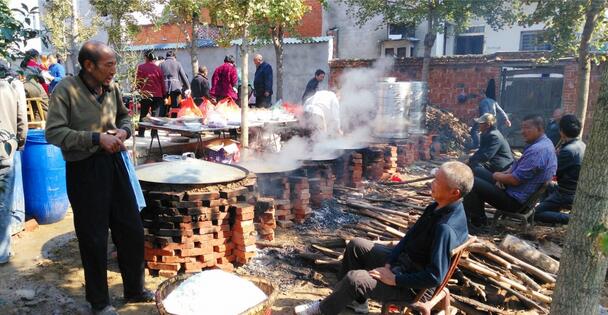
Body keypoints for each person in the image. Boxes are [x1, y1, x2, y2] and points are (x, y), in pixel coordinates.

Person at [45, 41, 153, 315]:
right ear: (89, 65)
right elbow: (54, 133)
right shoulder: (65, 90)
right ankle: (99, 302)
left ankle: (134, 289)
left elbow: (126, 118)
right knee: (93, 237)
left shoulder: (112, 88)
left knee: (130, 229)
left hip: (115, 164)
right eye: (109, 64)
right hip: (85, 170)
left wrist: (123, 133)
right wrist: (96, 138)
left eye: (114, 64)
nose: (113, 70)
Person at [294, 161, 472, 315]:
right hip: (405, 264)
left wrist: (394, 279)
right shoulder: (437, 207)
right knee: (357, 245)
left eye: (437, 181)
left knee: (355, 279)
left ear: (454, 192)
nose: (431, 183)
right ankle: (355, 301)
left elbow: (435, 276)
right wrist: (390, 263)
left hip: (415, 287)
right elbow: (409, 237)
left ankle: (323, 310)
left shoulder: (445, 228)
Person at [463, 115, 557, 227]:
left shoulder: (538, 151)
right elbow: (516, 167)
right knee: (477, 171)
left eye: (527, 128)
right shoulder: (544, 143)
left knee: (472, 183)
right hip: (513, 190)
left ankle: (478, 223)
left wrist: (496, 176)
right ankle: (476, 214)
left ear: (540, 128)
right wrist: (503, 174)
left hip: (514, 201)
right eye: (522, 128)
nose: (522, 132)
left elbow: (514, 180)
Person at [0, 61, 28, 265]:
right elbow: (22, 119)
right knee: (3, 204)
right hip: (5, 150)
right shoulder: (13, 85)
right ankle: (2, 252)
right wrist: (20, 142)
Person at [535, 114, 585, 224]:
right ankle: (551, 212)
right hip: (575, 189)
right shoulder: (582, 145)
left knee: (535, 213)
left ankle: (571, 219)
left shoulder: (567, 151)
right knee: (548, 186)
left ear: (561, 131)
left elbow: (551, 172)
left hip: (566, 193)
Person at [467, 113, 513, 182]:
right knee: (471, 161)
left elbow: (486, 156)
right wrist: (471, 157)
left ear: (488, 125)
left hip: (501, 167)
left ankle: (492, 183)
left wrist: (470, 160)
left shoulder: (494, 136)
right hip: (494, 162)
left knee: (474, 167)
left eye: (481, 123)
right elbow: (481, 150)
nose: (479, 125)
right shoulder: (486, 133)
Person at [470, 80, 511, 149]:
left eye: (479, 95)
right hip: (493, 120)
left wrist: (481, 122)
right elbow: (501, 111)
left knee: (474, 130)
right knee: (492, 133)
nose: (478, 97)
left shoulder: (483, 102)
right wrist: (506, 119)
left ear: (483, 94)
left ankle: (476, 145)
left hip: (486, 120)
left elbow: (485, 114)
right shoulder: (493, 101)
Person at [136, 50, 166, 136]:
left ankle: (141, 133)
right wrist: (164, 95)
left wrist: (138, 89)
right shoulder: (158, 68)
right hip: (157, 95)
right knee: (155, 115)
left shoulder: (140, 67)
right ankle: (154, 134)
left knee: (143, 113)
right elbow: (162, 83)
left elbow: (138, 82)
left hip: (146, 94)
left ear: (146, 57)